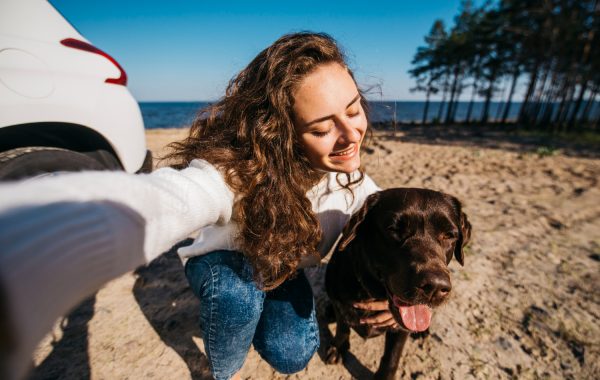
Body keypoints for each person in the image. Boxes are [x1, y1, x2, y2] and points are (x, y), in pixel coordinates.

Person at [0, 32, 396, 380]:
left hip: (281, 269)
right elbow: (170, 199)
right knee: (237, 295)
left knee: (291, 354)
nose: (350, 135)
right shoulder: (237, 174)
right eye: (321, 129)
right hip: (223, 262)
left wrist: (401, 301)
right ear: (281, 132)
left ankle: (251, 312)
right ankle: (228, 371)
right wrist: (41, 230)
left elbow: (404, 238)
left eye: (353, 109)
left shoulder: (358, 188)